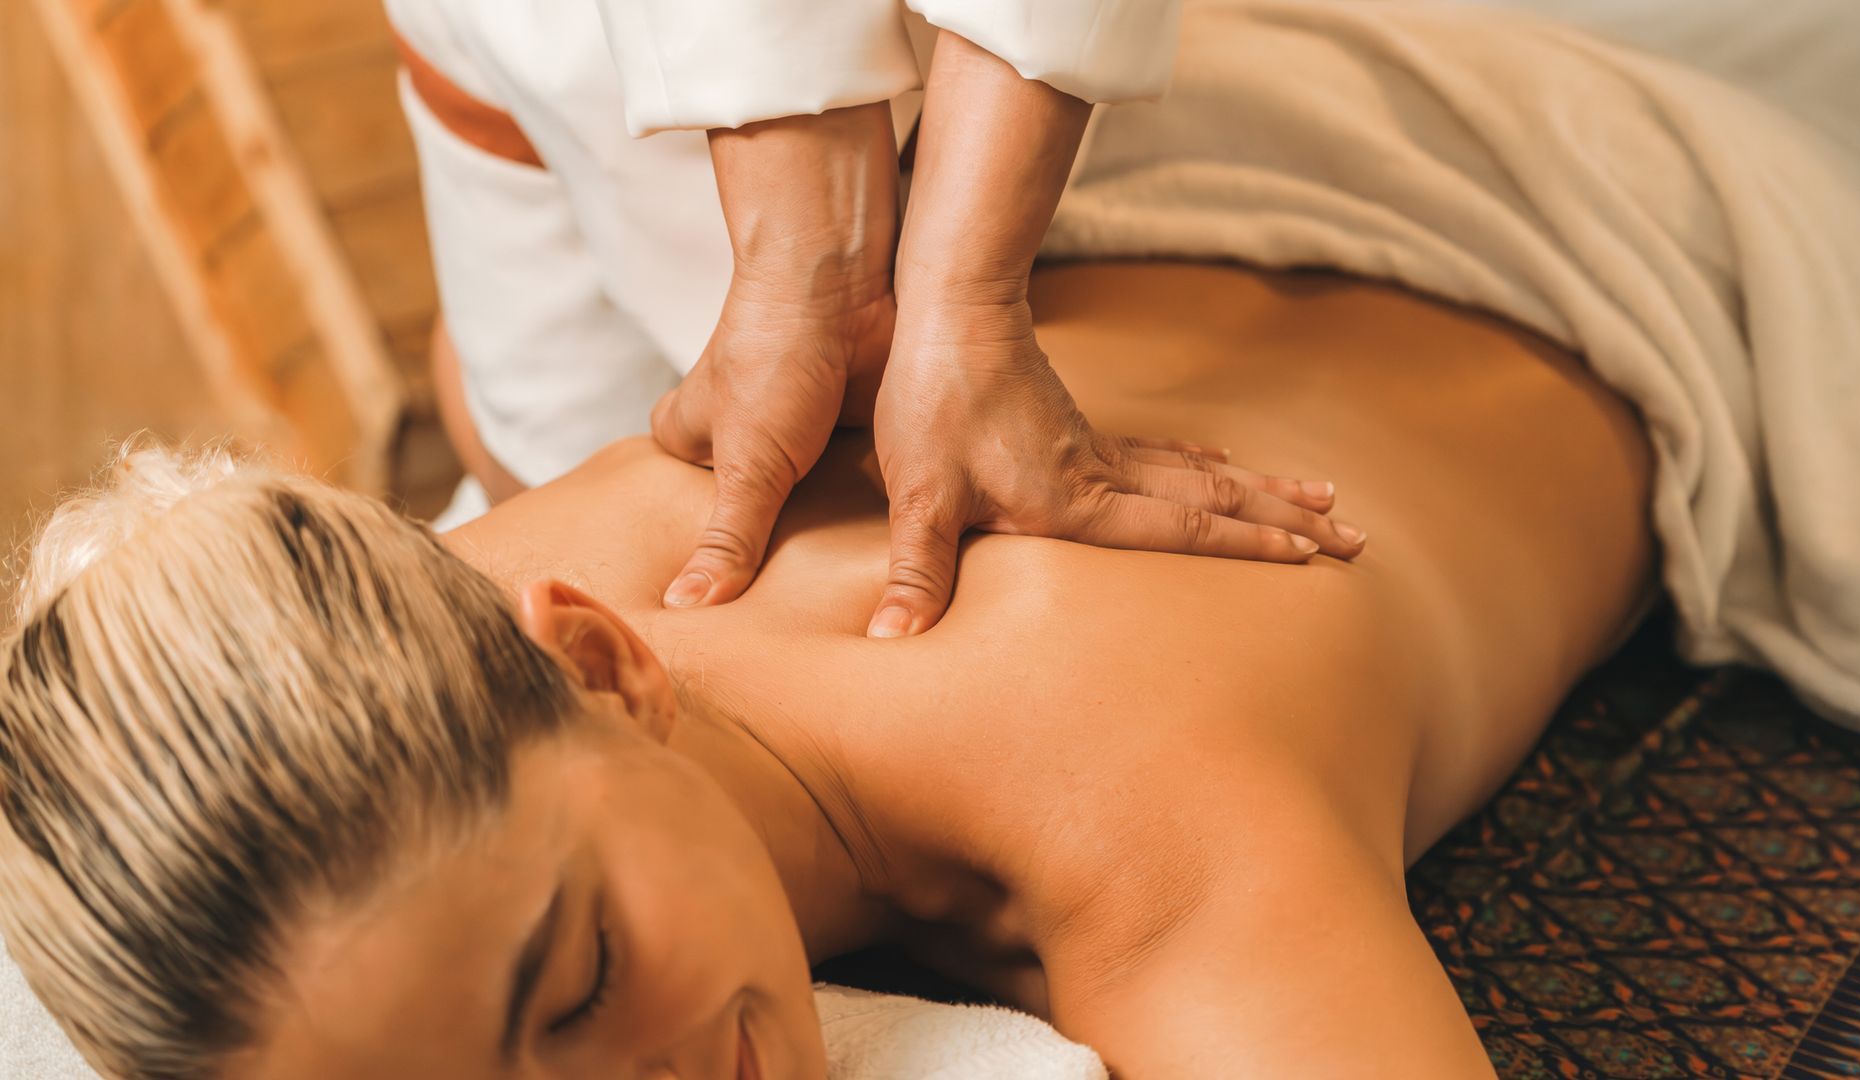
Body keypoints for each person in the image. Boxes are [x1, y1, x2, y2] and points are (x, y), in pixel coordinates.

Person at [0, 259, 1652, 1080]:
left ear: (598, 657)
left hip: (1556, 243)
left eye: (578, 986)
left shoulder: (1115, 787)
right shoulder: (384, 683)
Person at [394, 0, 1363, 642]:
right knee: (524, 462)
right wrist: (809, 276)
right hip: (514, 52)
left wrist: (964, 303)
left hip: (957, 75)